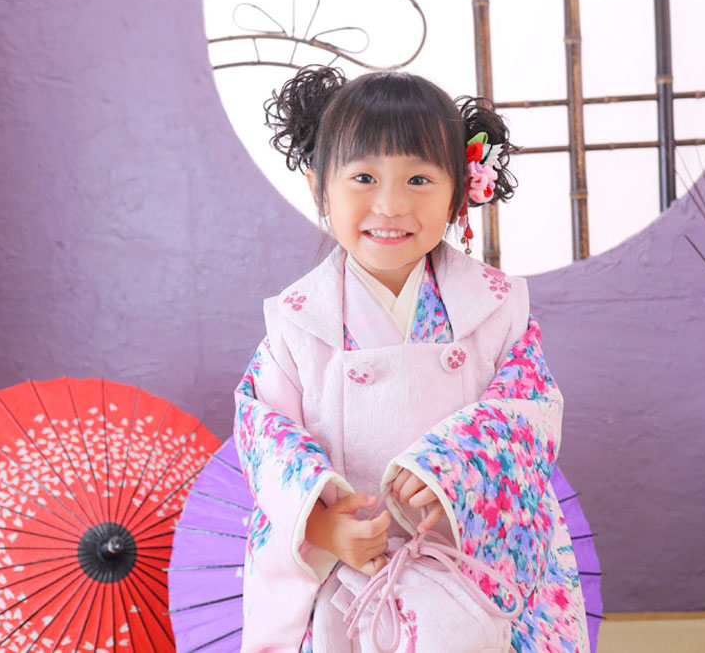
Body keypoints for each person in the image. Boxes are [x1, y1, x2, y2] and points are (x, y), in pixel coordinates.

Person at [233, 65, 590, 652]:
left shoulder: (496, 308)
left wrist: (454, 464)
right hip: (349, 565)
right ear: (318, 187)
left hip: (466, 563)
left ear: (460, 192)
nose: (391, 204)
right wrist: (320, 525)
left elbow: (529, 413)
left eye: (420, 179)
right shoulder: (297, 323)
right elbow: (265, 436)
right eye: (364, 177)